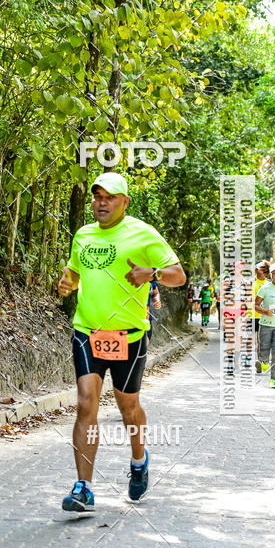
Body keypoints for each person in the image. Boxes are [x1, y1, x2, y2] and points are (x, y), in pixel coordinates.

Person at [57, 172, 186, 511]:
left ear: (124, 202)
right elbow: (74, 272)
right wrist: (67, 282)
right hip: (87, 331)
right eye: (97, 196)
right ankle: (83, 488)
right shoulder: (83, 235)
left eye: (110, 197)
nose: (101, 202)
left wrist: (153, 274)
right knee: (86, 403)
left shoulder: (143, 234)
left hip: (128, 336)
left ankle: (139, 459)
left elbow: (179, 275)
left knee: (128, 407)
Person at [253, 261, 269, 370]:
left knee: (260, 340)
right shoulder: (250, 282)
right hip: (250, 315)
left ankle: (259, 361)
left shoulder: (269, 284)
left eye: (261, 269)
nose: (258, 271)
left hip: (263, 316)